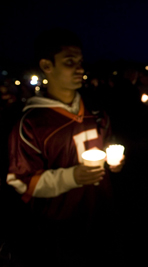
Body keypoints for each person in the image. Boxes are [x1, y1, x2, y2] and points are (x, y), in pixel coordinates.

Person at [6, 28, 125, 266]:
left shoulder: (96, 112)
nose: (80, 69)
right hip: (60, 227)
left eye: (80, 62)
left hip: (103, 214)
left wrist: (115, 163)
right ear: (46, 66)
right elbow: (20, 180)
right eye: (70, 62)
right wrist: (72, 177)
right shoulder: (31, 123)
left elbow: (109, 144)